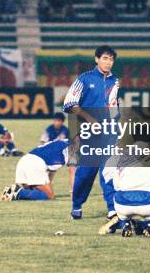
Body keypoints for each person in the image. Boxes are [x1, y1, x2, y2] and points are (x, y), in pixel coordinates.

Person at [63, 45, 120, 220]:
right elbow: (69, 104)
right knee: (86, 173)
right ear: (96, 59)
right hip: (88, 134)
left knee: (109, 170)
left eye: (111, 59)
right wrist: (90, 119)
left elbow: (113, 106)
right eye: (105, 58)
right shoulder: (84, 79)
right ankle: (77, 205)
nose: (108, 62)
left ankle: (113, 209)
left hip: (109, 134)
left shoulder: (115, 81)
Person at [0, 138, 69, 201]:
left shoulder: (62, 142)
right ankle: (18, 192)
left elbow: (52, 169)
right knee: (49, 196)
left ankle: (14, 193)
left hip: (24, 161)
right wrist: (73, 195)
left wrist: (47, 184)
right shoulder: (73, 147)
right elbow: (72, 172)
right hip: (35, 164)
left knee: (34, 192)